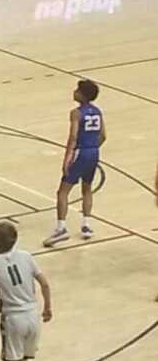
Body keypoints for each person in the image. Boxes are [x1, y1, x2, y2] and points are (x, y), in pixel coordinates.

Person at [0, 221, 52, 361]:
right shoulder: (26, 256)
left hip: (13, 320)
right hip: (33, 316)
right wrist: (47, 308)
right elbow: (44, 284)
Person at [44, 80, 106, 247]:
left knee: (62, 191)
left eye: (77, 90)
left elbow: (73, 137)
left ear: (83, 95)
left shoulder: (76, 113)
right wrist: (92, 148)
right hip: (94, 152)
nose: (74, 91)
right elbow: (103, 135)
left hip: (80, 152)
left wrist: (68, 158)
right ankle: (86, 225)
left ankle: (61, 228)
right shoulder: (98, 111)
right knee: (87, 188)